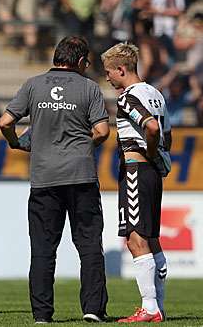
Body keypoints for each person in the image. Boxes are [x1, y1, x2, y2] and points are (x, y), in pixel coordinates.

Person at [0, 36, 110, 323]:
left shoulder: (33, 85)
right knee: (88, 245)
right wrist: (82, 147)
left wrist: (15, 143)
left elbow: (5, 122)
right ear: (81, 61)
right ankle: (93, 310)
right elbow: (102, 131)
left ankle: (42, 314)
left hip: (44, 179)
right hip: (81, 176)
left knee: (43, 250)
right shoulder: (89, 88)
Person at [101, 42, 171, 323]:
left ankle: (150, 307)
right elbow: (166, 132)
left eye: (108, 72)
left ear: (121, 69)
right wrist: (159, 156)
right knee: (152, 239)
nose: (107, 77)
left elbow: (151, 128)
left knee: (135, 238)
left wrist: (150, 153)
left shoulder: (128, 97)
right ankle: (159, 307)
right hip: (152, 173)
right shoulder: (156, 94)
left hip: (136, 171)